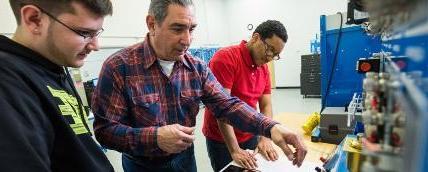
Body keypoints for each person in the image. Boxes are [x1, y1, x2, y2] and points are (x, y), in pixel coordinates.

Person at [91, 0, 307, 172]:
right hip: (142, 165)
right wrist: (154, 138)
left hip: (185, 161)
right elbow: (105, 131)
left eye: (191, 29)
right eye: (178, 29)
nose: (187, 40)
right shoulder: (119, 67)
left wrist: (271, 127)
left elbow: (227, 105)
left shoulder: (196, 68)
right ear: (152, 24)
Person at [0, 0, 113, 171]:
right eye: (84, 32)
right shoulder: (8, 81)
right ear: (34, 19)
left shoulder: (53, 64)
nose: (96, 45)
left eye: (97, 33)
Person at [202, 20, 287, 171]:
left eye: (275, 55)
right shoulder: (225, 58)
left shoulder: (264, 69)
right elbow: (222, 108)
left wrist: (265, 136)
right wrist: (234, 149)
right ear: (255, 38)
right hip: (222, 139)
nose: (270, 57)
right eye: (269, 49)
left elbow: (266, 104)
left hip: (249, 133)